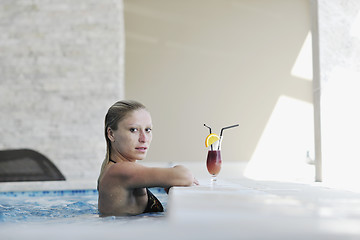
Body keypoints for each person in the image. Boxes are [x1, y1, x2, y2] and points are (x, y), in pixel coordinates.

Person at [97, 100, 198, 216]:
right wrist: (176, 171)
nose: (144, 139)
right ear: (111, 134)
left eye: (148, 130)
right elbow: (185, 176)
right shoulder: (118, 170)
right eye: (133, 130)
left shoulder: (114, 169)